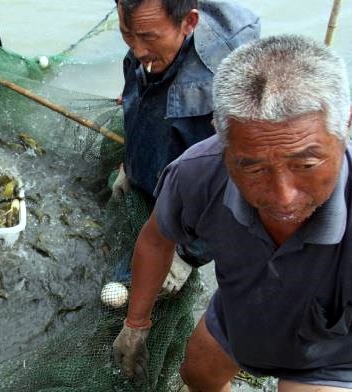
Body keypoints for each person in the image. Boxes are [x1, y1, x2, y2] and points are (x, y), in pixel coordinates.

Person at [114, 34, 352, 391]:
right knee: (195, 375)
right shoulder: (196, 175)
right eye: (253, 169)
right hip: (242, 318)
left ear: (347, 124)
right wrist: (136, 324)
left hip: (334, 351)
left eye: (306, 164)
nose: (283, 197)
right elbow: (155, 239)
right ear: (220, 135)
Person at [107, 0, 259, 295]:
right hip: (152, 168)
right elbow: (137, 98)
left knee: (143, 283)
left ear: (189, 23)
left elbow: (232, 195)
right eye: (127, 34)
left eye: (148, 37)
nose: (137, 50)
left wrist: (189, 254)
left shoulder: (221, 93)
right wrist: (130, 164)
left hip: (187, 208)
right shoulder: (147, 35)